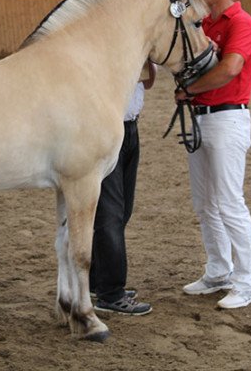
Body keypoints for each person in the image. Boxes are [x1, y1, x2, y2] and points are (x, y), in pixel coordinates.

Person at [175, 0, 251, 309]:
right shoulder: (204, 24)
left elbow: (230, 69)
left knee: (229, 202)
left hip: (227, 118)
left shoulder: (241, 23)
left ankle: (248, 281)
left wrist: (190, 90)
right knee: (206, 204)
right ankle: (219, 270)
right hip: (202, 117)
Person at [90, 61, 156, 316]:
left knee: (122, 210)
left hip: (130, 129)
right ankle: (111, 293)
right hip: (109, 130)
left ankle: (98, 281)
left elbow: (148, 82)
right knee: (110, 215)